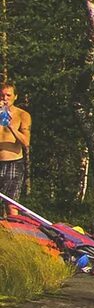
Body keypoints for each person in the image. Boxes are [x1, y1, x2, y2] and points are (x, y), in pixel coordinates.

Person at [0, 82, 31, 214]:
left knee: (11, 205)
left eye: (8, 95)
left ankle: (13, 232)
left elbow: (26, 142)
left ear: (15, 97)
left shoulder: (22, 115)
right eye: (2, 95)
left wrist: (11, 125)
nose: (5, 98)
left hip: (13, 162)